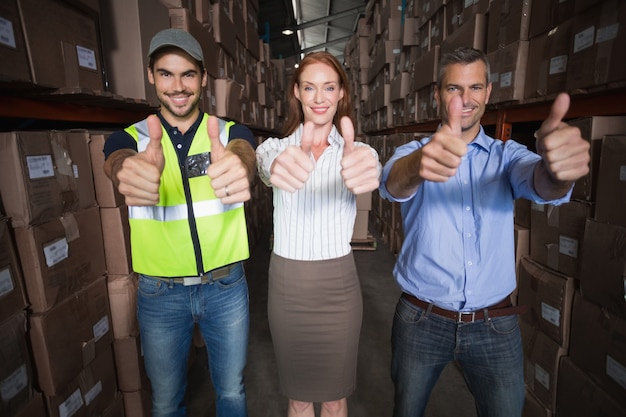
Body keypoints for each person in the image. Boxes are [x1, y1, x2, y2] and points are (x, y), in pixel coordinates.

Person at [380, 47, 590, 417]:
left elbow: (540, 182)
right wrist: (421, 162)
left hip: (495, 324)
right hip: (421, 320)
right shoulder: (412, 152)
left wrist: (557, 172)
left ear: (489, 92)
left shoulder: (507, 156)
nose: (465, 99)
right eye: (453, 89)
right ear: (437, 94)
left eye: (475, 87)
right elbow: (394, 184)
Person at [103, 28, 257, 417]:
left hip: (225, 287)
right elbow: (116, 162)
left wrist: (240, 164)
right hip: (160, 294)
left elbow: (244, 153)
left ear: (203, 78)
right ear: (151, 76)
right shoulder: (130, 139)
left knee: (232, 392)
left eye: (188, 74)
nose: (178, 85)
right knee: (167, 401)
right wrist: (127, 169)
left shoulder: (228, 133)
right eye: (166, 73)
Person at [255, 51, 381, 417]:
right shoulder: (275, 149)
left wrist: (370, 169)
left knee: (334, 397)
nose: (319, 97)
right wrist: (278, 167)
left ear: (342, 92)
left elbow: (372, 167)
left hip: (338, 287)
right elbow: (265, 167)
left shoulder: (358, 153)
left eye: (329, 87)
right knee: (297, 398)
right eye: (309, 87)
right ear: (296, 92)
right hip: (287, 287)